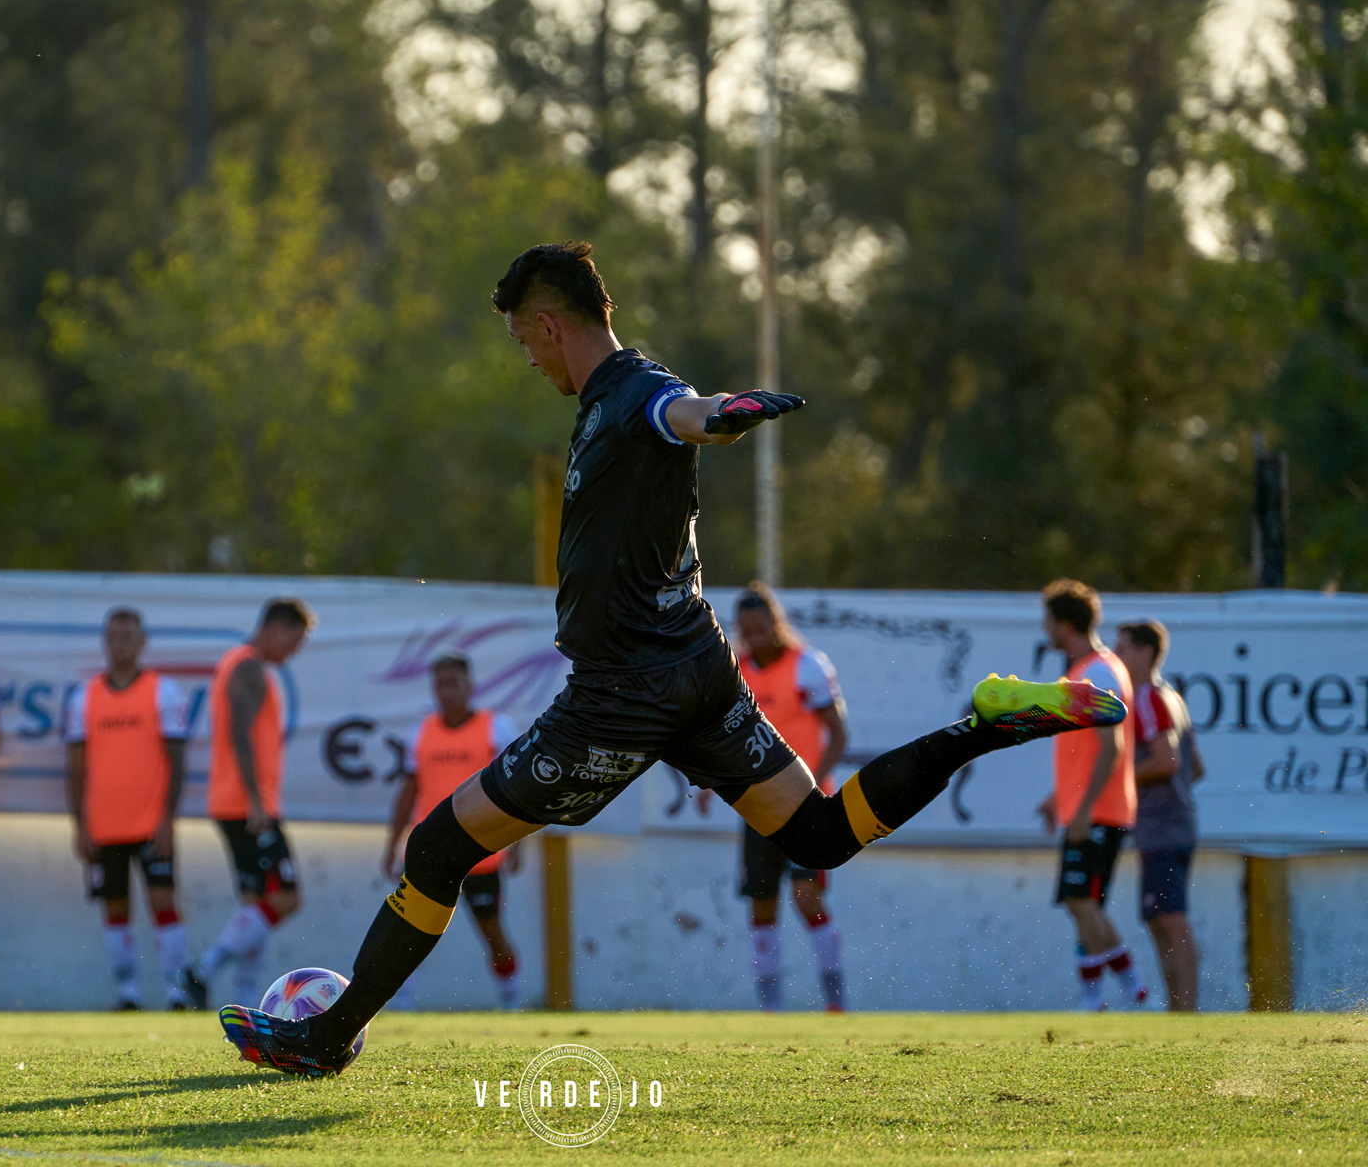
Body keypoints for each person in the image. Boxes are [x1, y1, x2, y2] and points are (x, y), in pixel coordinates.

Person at [221, 241, 1124, 1074]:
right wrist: (711, 414)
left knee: (438, 843)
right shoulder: (616, 397)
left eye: (520, 339)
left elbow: (681, 416)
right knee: (815, 835)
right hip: (700, 668)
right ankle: (986, 725)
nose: (524, 358)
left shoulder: (628, 395)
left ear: (546, 323)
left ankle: (328, 1039)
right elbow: (679, 418)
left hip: (623, 694)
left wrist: (725, 414)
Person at [180, 599, 315, 1009]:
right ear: (277, 628)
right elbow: (238, 734)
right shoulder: (249, 666)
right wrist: (257, 800)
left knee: (256, 907)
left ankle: (244, 1005)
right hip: (247, 805)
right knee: (286, 897)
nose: (295, 651)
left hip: (236, 802)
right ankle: (202, 969)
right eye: (295, 640)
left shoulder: (239, 663)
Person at [63, 608, 191, 1010]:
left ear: (141, 642)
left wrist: (168, 819)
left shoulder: (163, 692)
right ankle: (128, 994)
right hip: (104, 827)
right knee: (115, 909)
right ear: (105, 642)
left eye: (128, 636)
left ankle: (177, 991)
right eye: (113, 636)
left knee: (163, 902)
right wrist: (79, 825)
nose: (120, 644)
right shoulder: (84, 697)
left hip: (152, 824)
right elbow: (75, 768)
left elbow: (177, 761)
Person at [733, 582, 850, 1012]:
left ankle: (835, 1000)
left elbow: (837, 734)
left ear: (777, 623)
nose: (755, 637)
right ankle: (771, 1010)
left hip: (808, 804)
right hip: (758, 804)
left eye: (761, 627)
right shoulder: (736, 669)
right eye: (747, 630)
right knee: (761, 904)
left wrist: (816, 783)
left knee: (806, 896)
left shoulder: (808, 665)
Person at [382, 651, 521, 1009]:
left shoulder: (495, 728)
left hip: (481, 851)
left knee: (491, 931)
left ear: (470, 685)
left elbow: (516, 790)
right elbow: (408, 791)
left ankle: (510, 998)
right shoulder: (421, 733)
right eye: (439, 684)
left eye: (453, 683)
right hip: (432, 850)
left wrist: (518, 842)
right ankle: (403, 1004)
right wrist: (392, 845)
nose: (445, 692)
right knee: (411, 931)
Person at [1035, 578, 1144, 1011]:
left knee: (1081, 902)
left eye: (1047, 620)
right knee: (1085, 905)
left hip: (1099, 810)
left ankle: (1101, 997)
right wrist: (1056, 797)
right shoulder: (1085, 670)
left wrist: (1081, 809)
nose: (1044, 628)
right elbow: (1083, 752)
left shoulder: (1098, 671)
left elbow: (1112, 748)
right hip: (1088, 806)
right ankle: (1130, 991)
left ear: (1064, 625)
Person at [1115, 619, 1203, 1012]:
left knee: (1170, 920)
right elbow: (1194, 766)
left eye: (1124, 649)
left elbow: (1166, 760)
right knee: (1159, 919)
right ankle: (1178, 1010)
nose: (1117, 657)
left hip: (1164, 826)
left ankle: (1185, 1013)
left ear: (1145, 652)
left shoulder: (1147, 696)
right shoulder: (1171, 696)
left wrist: (1118, 777)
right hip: (1171, 823)